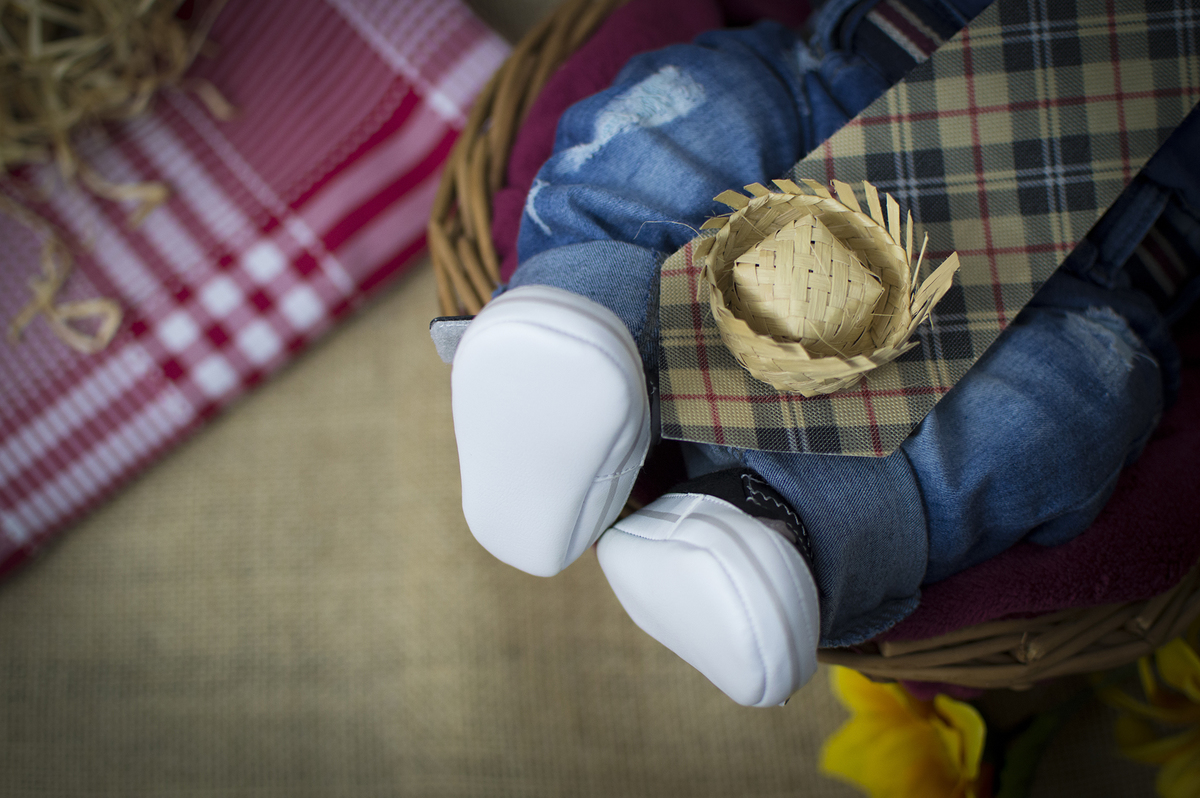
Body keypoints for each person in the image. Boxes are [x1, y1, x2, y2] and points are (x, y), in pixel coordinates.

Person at [450, 0, 1200, 706]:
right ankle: (578, 319)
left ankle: (780, 525)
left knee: (1069, 402)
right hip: (863, 79)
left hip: (1091, 273)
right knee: (700, 114)